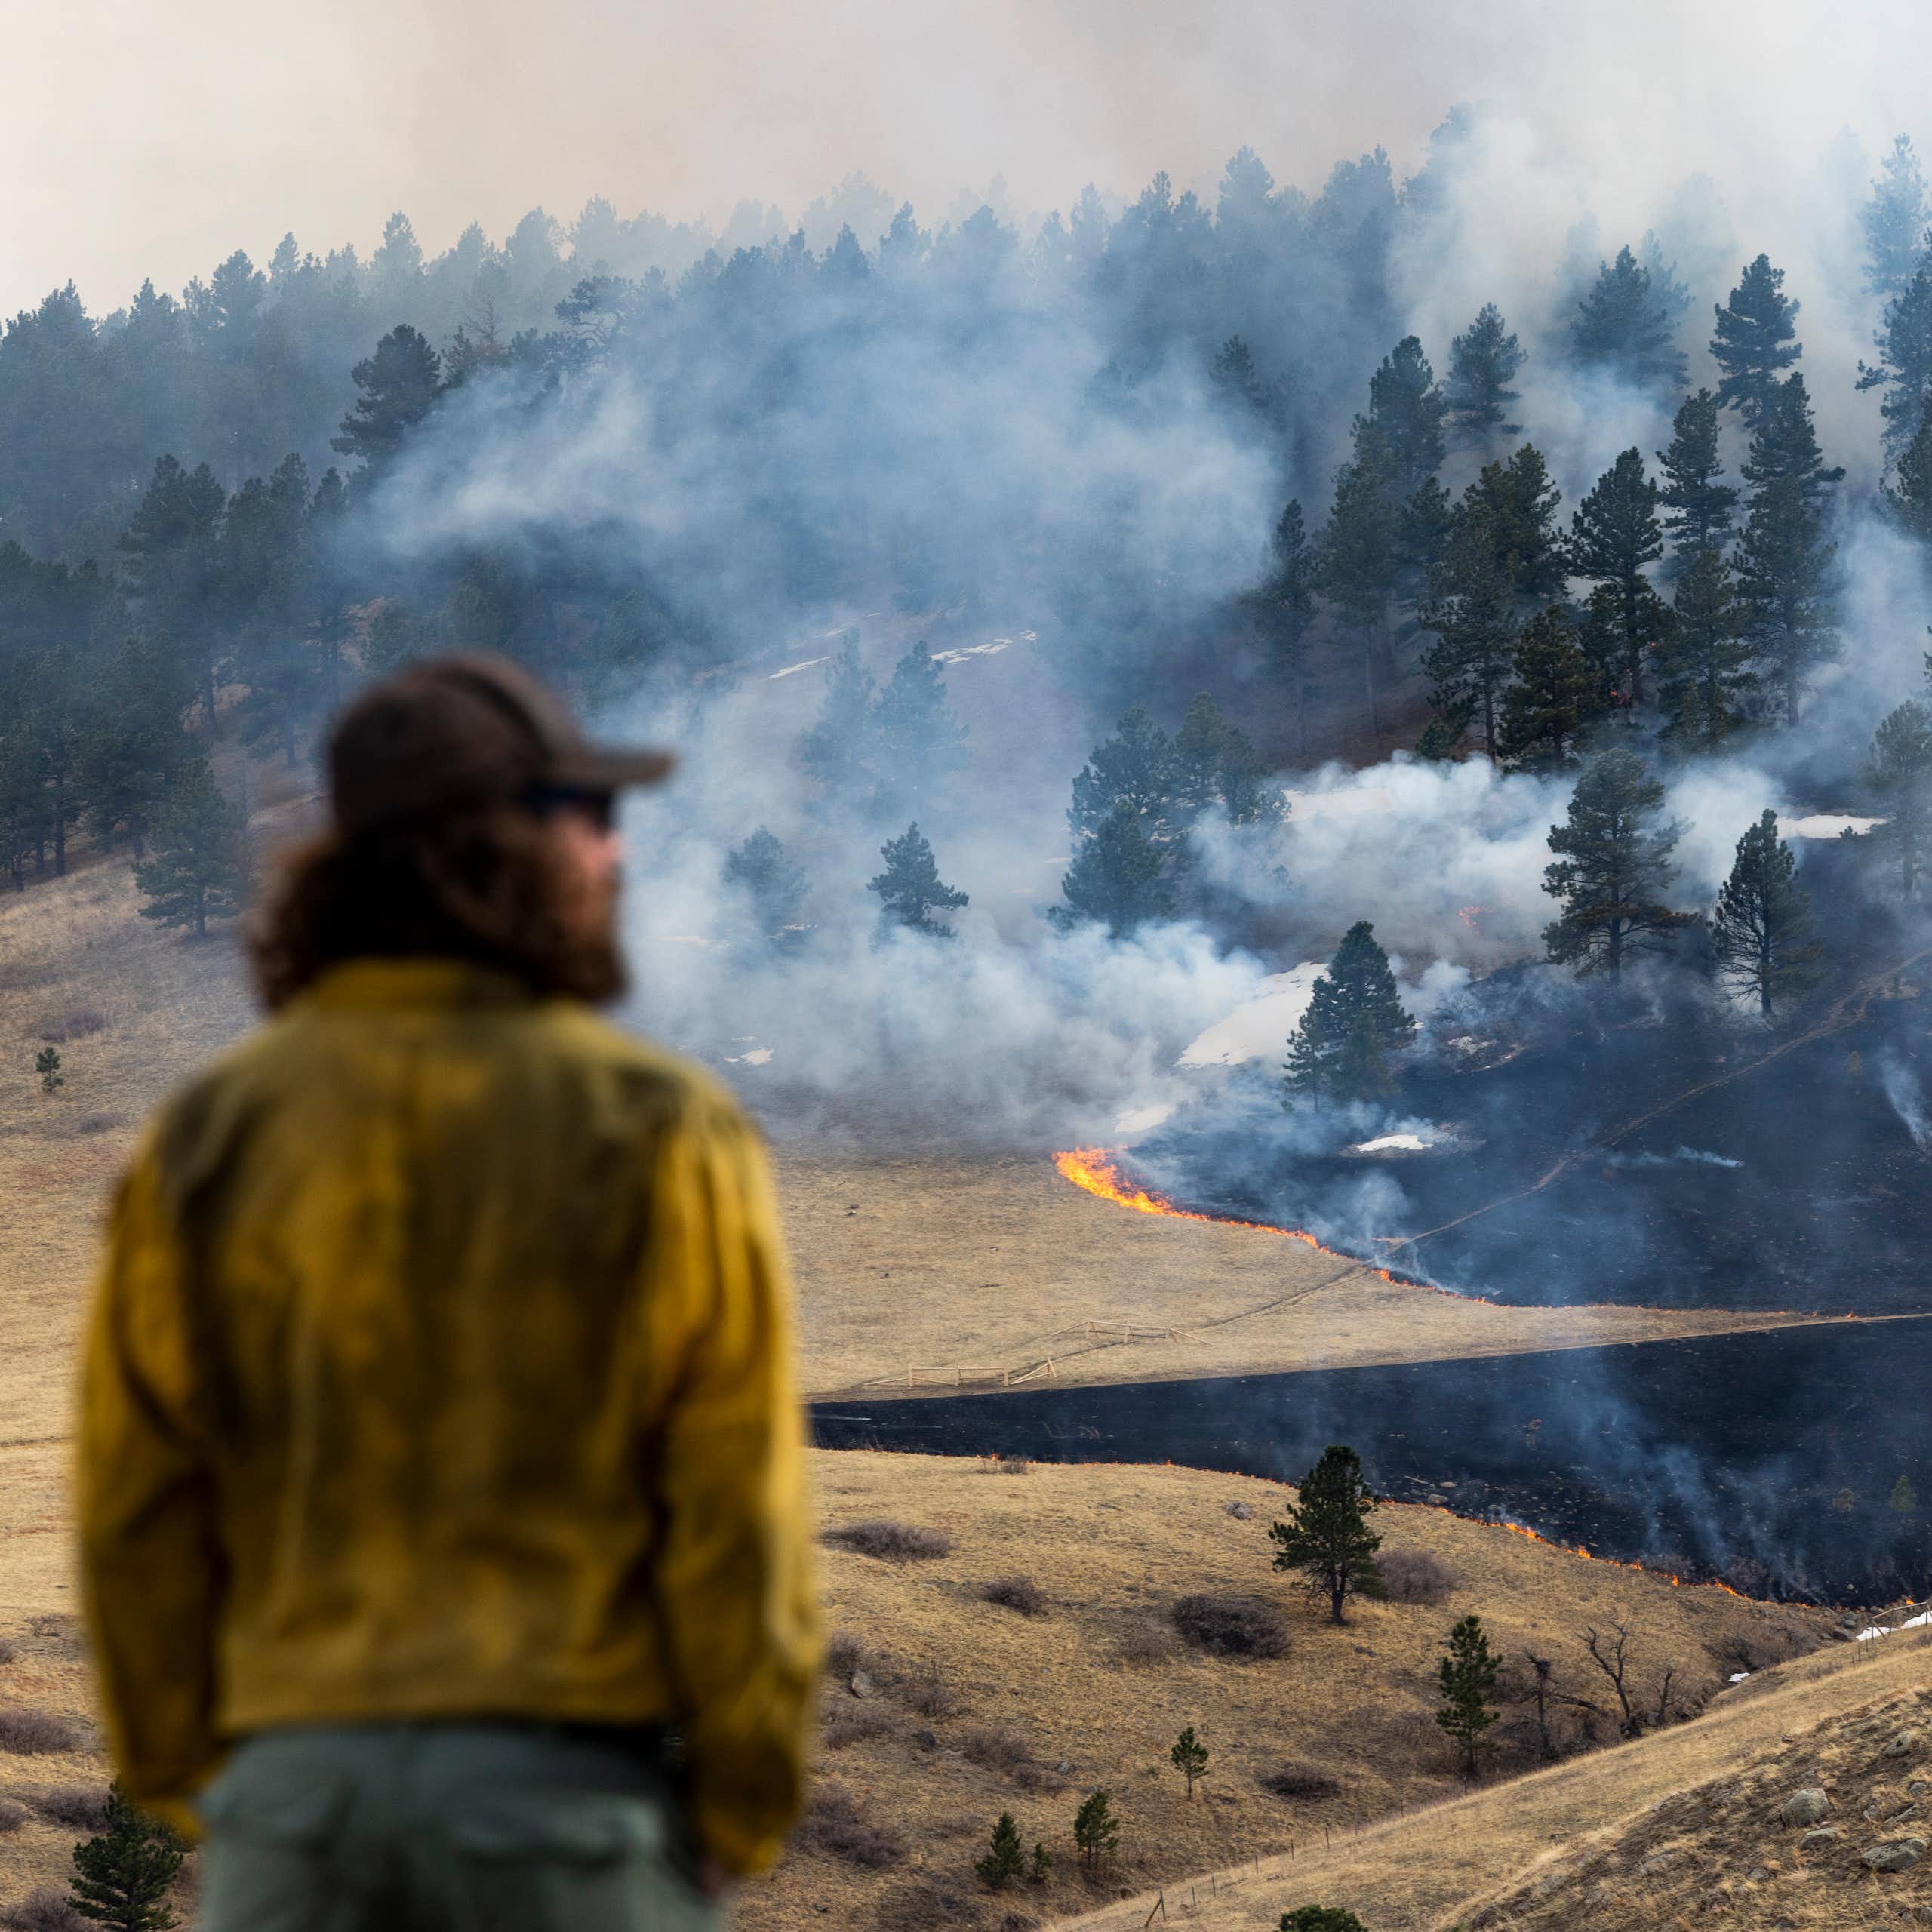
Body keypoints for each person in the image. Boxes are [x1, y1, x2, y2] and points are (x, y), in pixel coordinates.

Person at [78, 655, 820, 1930]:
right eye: (591, 819)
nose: (616, 859)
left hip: (294, 1822)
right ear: (507, 842)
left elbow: (135, 1500)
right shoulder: (656, 1127)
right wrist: (740, 1806)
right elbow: (734, 1505)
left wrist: (211, 1784)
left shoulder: (209, 1135)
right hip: (567, 1820)